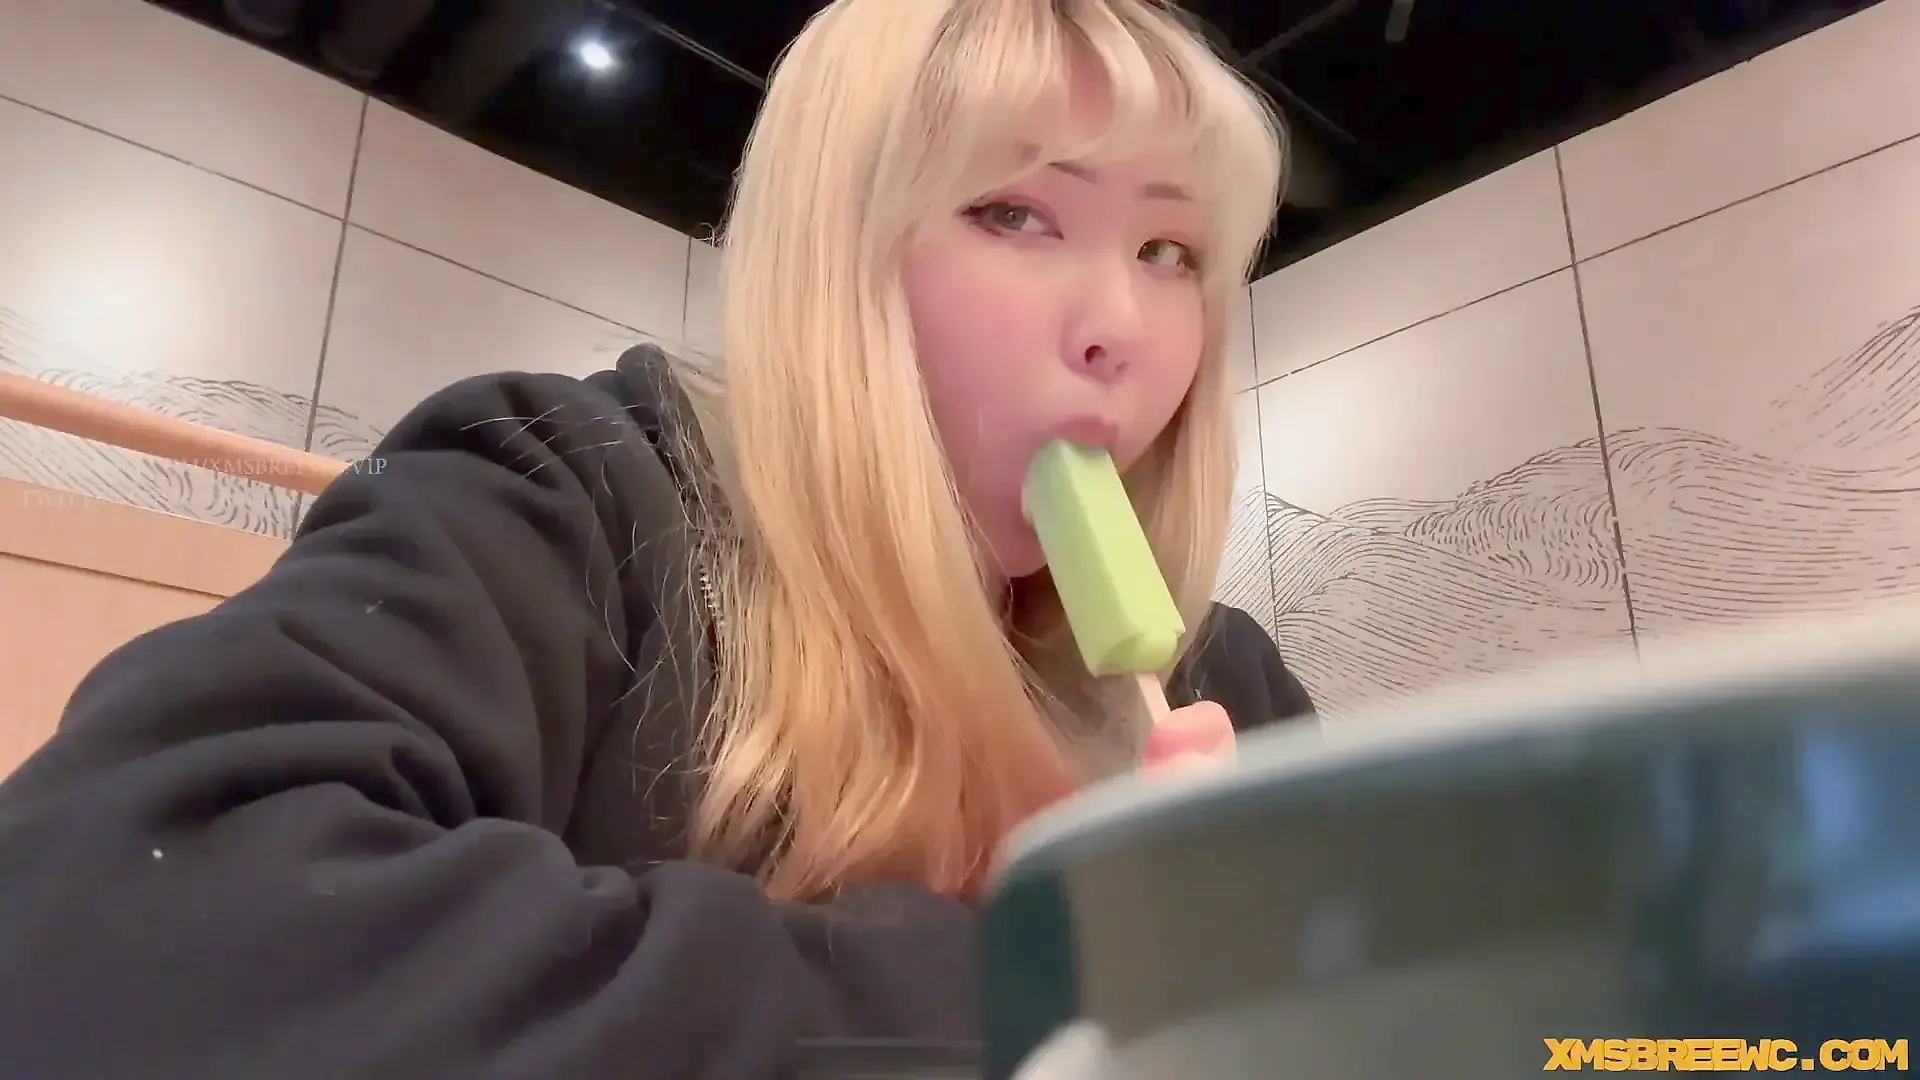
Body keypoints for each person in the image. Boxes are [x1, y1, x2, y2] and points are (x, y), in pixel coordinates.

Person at [0, 0, 1310, 1075]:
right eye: (1014, 213)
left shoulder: (1221, 681)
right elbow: (106, 929)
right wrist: (1021, 980)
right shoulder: (568, 495)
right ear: (837, 251)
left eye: (1170, 250)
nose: (1119, 327)